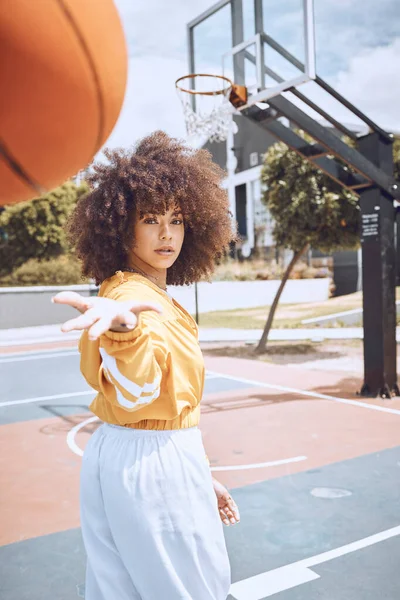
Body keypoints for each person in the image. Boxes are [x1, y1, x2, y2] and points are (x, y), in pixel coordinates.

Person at [52, 131, 240, 600]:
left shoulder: (146, 292)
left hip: (136, 457)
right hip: (150, 466)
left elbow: (151, 408)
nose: (166, 233)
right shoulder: (129, 297)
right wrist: (122, 334)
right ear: (121, 227)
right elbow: (138, 389)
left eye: (176, 220)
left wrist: (199, 476)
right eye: (150, 219)